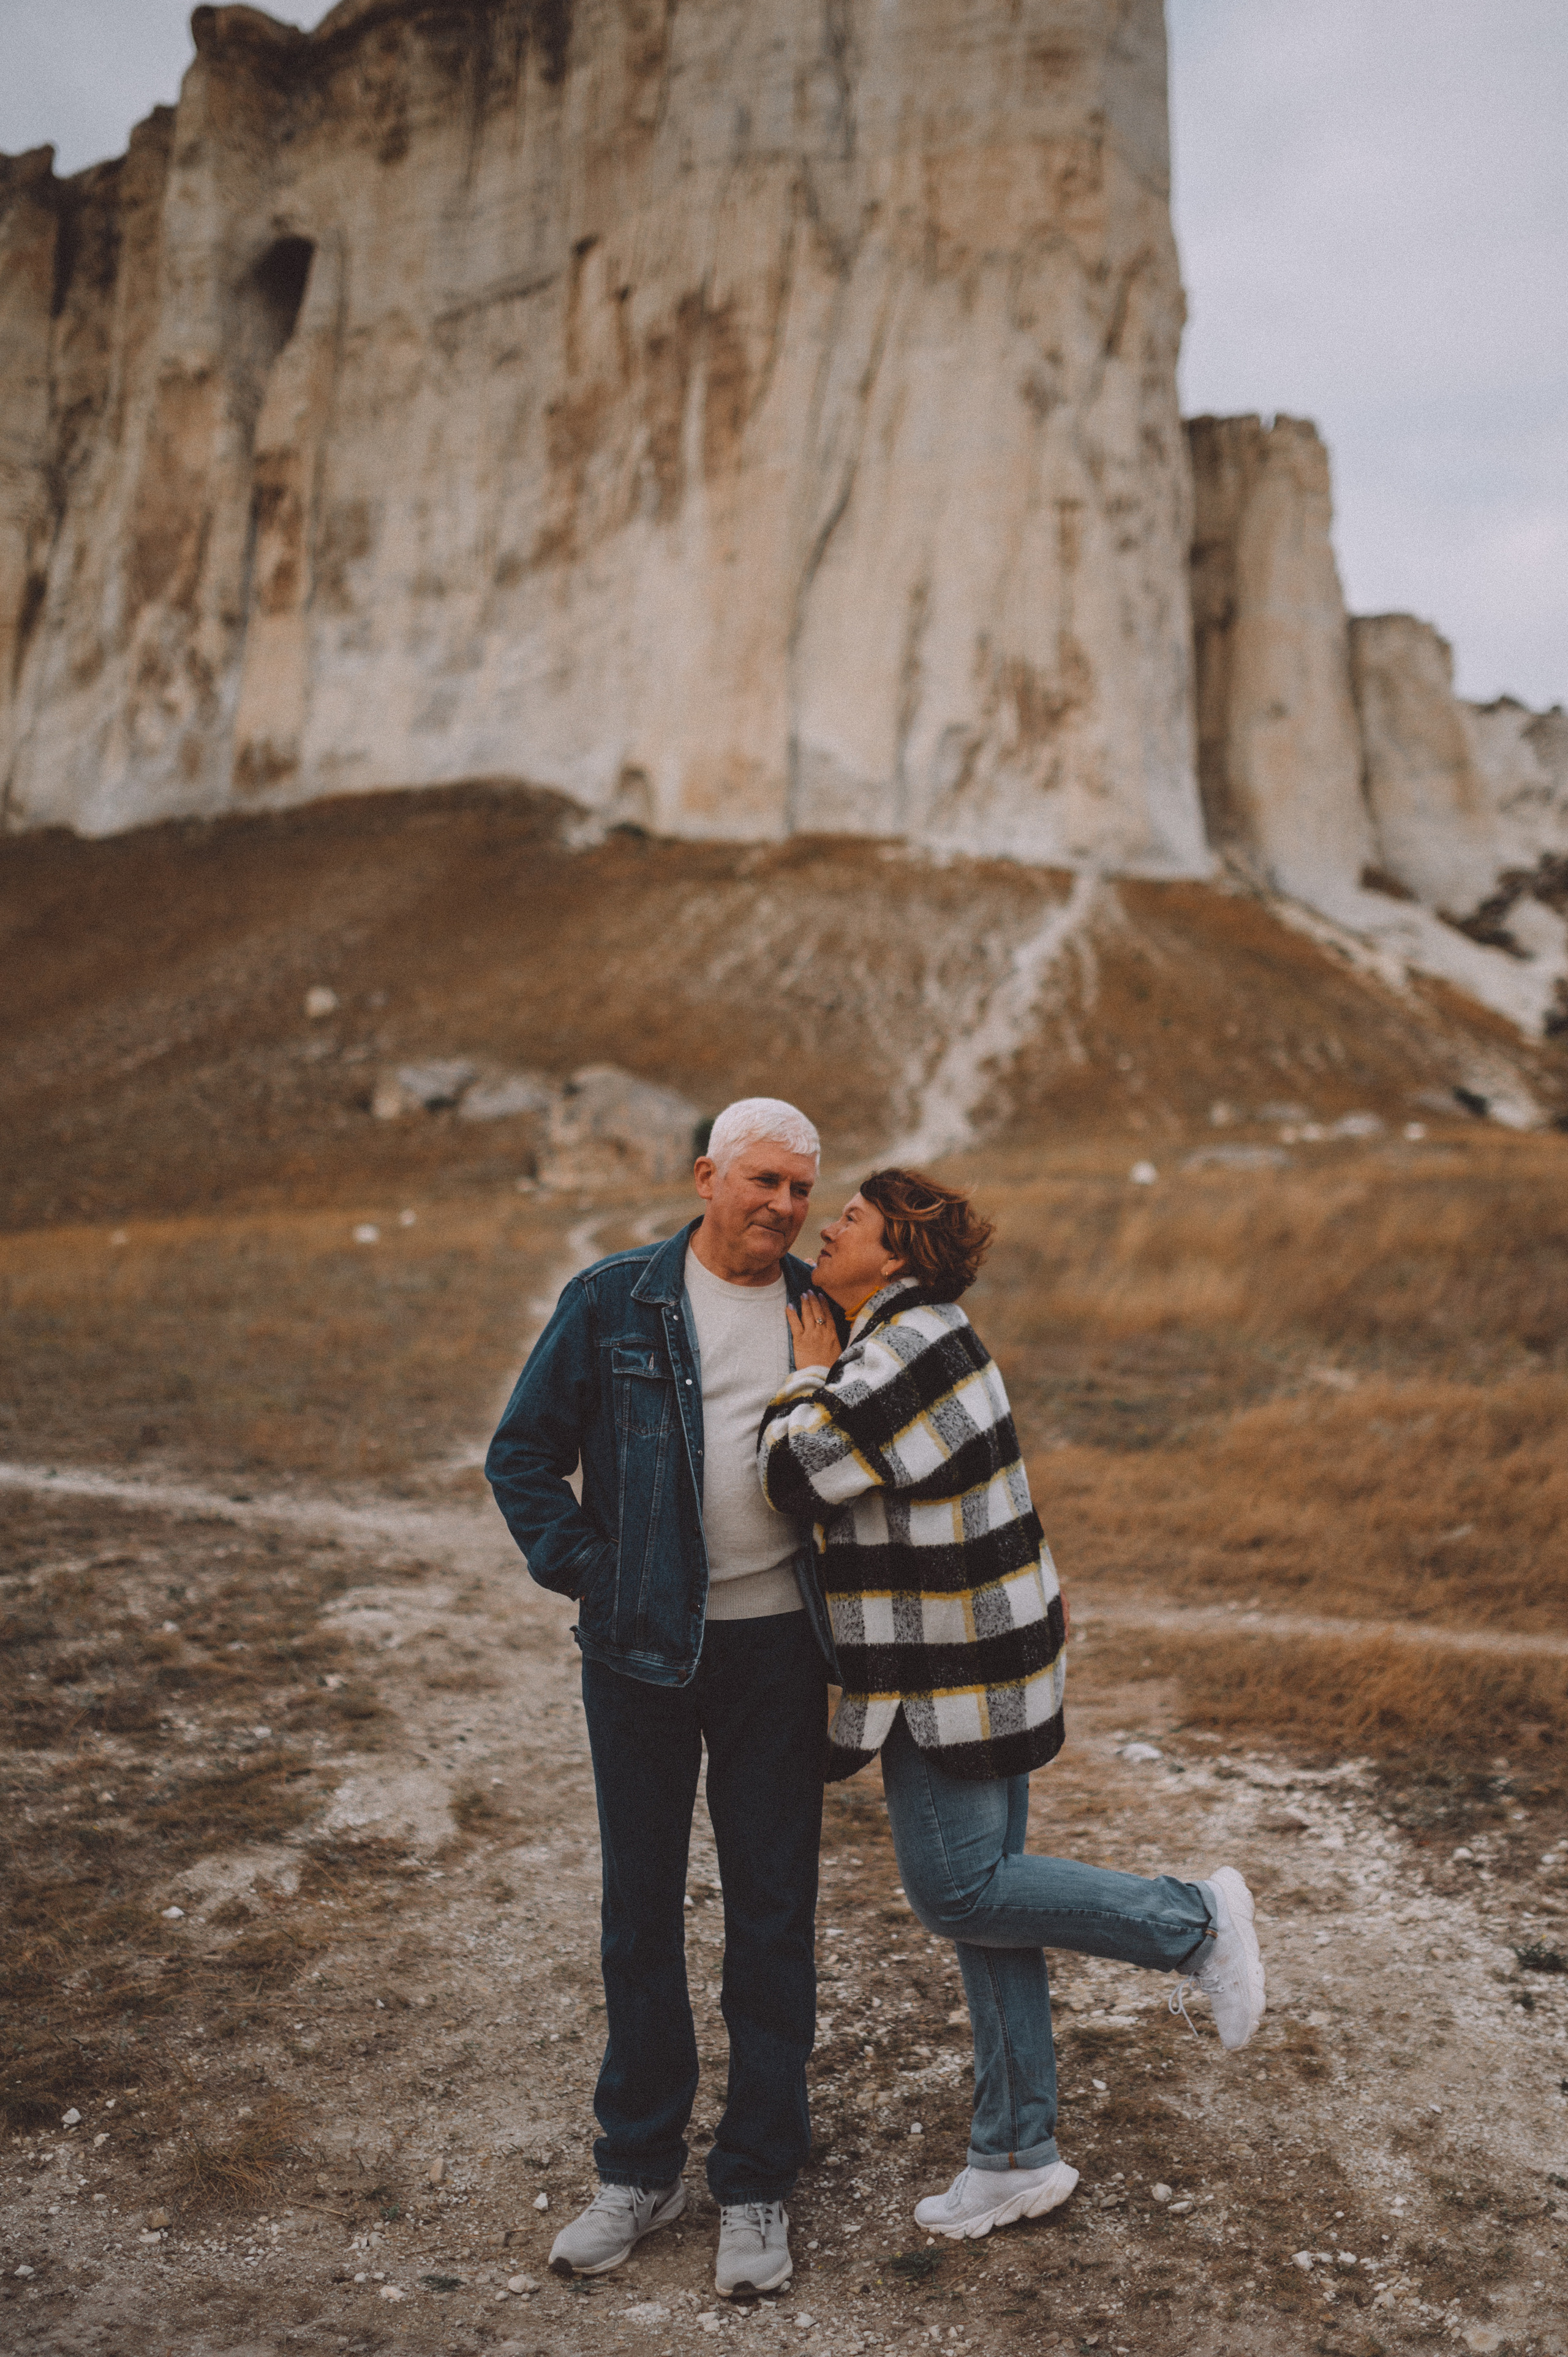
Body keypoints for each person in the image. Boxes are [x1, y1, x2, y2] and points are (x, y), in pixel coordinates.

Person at [758, 1167, 1265, 2241]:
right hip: (984, 1653)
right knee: (995, 1917)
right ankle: (1014, 2154)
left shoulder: (902, 1350)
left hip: (952, 1673)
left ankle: (1195, 1922)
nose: (827, 1229)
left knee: (961, 1893)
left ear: (895, 1254)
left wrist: (805, 1378)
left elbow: (796, 1475)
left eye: (849, 1219)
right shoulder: (929, 1334)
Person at [486, 1097, 838, 2300]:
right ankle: (639, 2168)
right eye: (762, 1180)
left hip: (781, 1658)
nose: (783, 1205)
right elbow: (521, 1453)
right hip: (636, 1658)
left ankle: (753, 2182)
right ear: (706, 1176)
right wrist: (598, 1573)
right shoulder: (614, 1298)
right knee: (639, 1915)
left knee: (771, 1919)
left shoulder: (822, 1309)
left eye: (800, 1187)